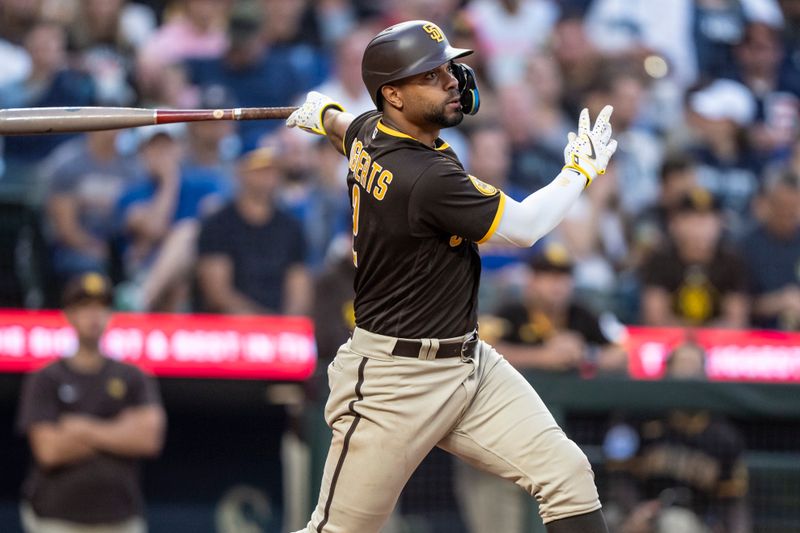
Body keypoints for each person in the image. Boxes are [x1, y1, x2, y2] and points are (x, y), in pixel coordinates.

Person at [285, 20, 618, 533]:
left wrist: (324, 113)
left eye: (445, 67)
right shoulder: (426, 176)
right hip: (393, 382)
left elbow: (344, 128)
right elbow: (526, 227)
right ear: (393, 94)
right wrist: (579, 171)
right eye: (429, 75)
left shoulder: (373, 130)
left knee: (567, 475)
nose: (450, 81)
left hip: (468, 362)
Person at [16, 272, 166, 533]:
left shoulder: (132, 375)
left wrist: (81, 428)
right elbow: (49, 451)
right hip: (56, 518)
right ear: (69, 315)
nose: (94, 316)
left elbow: (148, 439)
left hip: (120, 518)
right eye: (84, 307)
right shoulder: (46, 377)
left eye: (101, 307)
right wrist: (119, 430)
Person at [196, 147, 311, 315]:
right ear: (240, 171)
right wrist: (262, 324)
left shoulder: (291, 227)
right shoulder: (218, 224)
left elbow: (299, 284)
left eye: (272, 169)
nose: (267, 177)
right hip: (230, 327)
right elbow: (217, 293)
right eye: (259, 170)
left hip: (281, 327)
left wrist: (287, 324)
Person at [489, 242, 628, 374]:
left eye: (563, 277)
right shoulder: (512, 313)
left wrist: (585, 355)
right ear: (531, 281)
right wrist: (542, 356)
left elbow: (620, 354)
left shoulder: (580, 314)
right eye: (548, 276)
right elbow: (486, 353)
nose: (557, 285)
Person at [639, 187, 750, 328]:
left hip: (718, 344)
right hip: (668, 342)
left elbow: (737, 320)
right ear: (675, 223)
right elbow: (655, 318)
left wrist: (703, 338)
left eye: (706, 219)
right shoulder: (660, 260)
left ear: (720, 224)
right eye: (692, 219)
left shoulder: (731, 261)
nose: (700, 228)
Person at [741, 169, 800, 330]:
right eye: (781, 206)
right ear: (767, 203)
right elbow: (739, 304)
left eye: (793, 207)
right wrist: (778, 302)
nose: (787, 213)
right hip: (759, 334)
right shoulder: (747, 245)